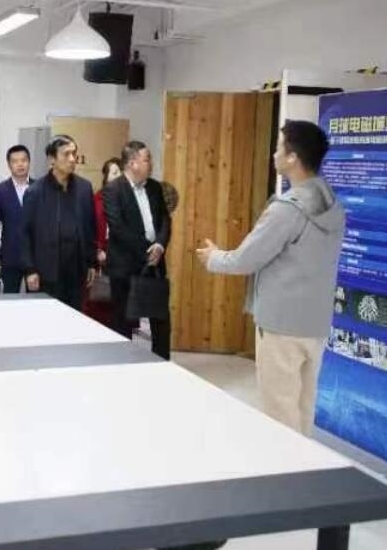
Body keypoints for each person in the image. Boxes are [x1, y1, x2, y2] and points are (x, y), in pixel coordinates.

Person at [197, 120, 345, 436]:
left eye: (278, 147)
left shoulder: (288, 209)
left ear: (292, 157)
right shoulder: (332, 205)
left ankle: (286, 466)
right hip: (315, 324)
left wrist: (214, 258)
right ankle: (303, 464)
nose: (273, 154)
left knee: (279, 416)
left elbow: (246, 259)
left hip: (281, 326)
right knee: (302, 409)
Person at [103, 142, 172, 360]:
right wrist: (147, 250)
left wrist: (159, 245)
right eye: (146, 159)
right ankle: (124, 364)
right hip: (126, 266)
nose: (151, 163)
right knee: (124, 322)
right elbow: (118, 227)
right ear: (133, 163)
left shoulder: (155, 187)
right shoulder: (113, 190)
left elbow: (165, 220)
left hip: (155, 265)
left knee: (160, 320)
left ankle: (161, 363)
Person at [21, 135, 96, 310]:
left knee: (75, 317)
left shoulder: (84, 188)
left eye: (74, 153)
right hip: (46, 270)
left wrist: (91, 262)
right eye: (66, 154)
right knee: (47, 318)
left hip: (76, 269)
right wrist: (30, 269)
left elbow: (89, 227)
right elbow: (25, 234)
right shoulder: (35, 192)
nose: (72, 159)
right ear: (51, 159)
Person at [83, 157, 123, 326]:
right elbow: (88, 229)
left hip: (122, 259)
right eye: (114, 172)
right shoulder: (96, 200)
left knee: (120, 309)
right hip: (101, 259)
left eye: (121, 172)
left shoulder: (128, 200)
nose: (118, 176)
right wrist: (98, 250)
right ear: (106, 177)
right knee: (98, 304)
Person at [0, 145, 32, 293]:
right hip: (10, 254)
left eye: (23, 160)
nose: (20, 164)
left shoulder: (39, 187)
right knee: (10, 296)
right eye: (15, 161)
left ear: (29, 162)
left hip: (36, 255)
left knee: (36, 298)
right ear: (9, 164)